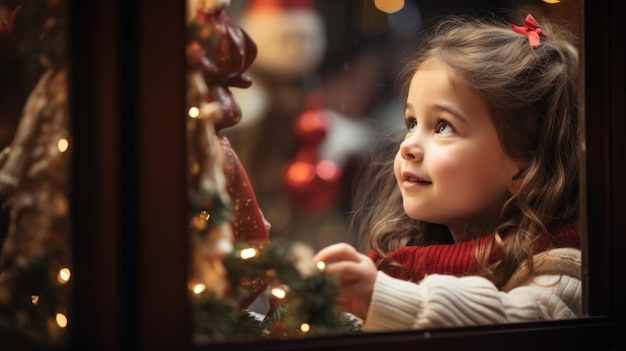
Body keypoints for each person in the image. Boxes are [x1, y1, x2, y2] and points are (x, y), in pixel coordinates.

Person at [313, 14, 582, 331]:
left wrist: (380, 297)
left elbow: (522, 320)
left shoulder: (560, 269)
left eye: (443, 126)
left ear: (524, 166)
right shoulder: (404, 260)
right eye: (411, 123)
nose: (408, 146)